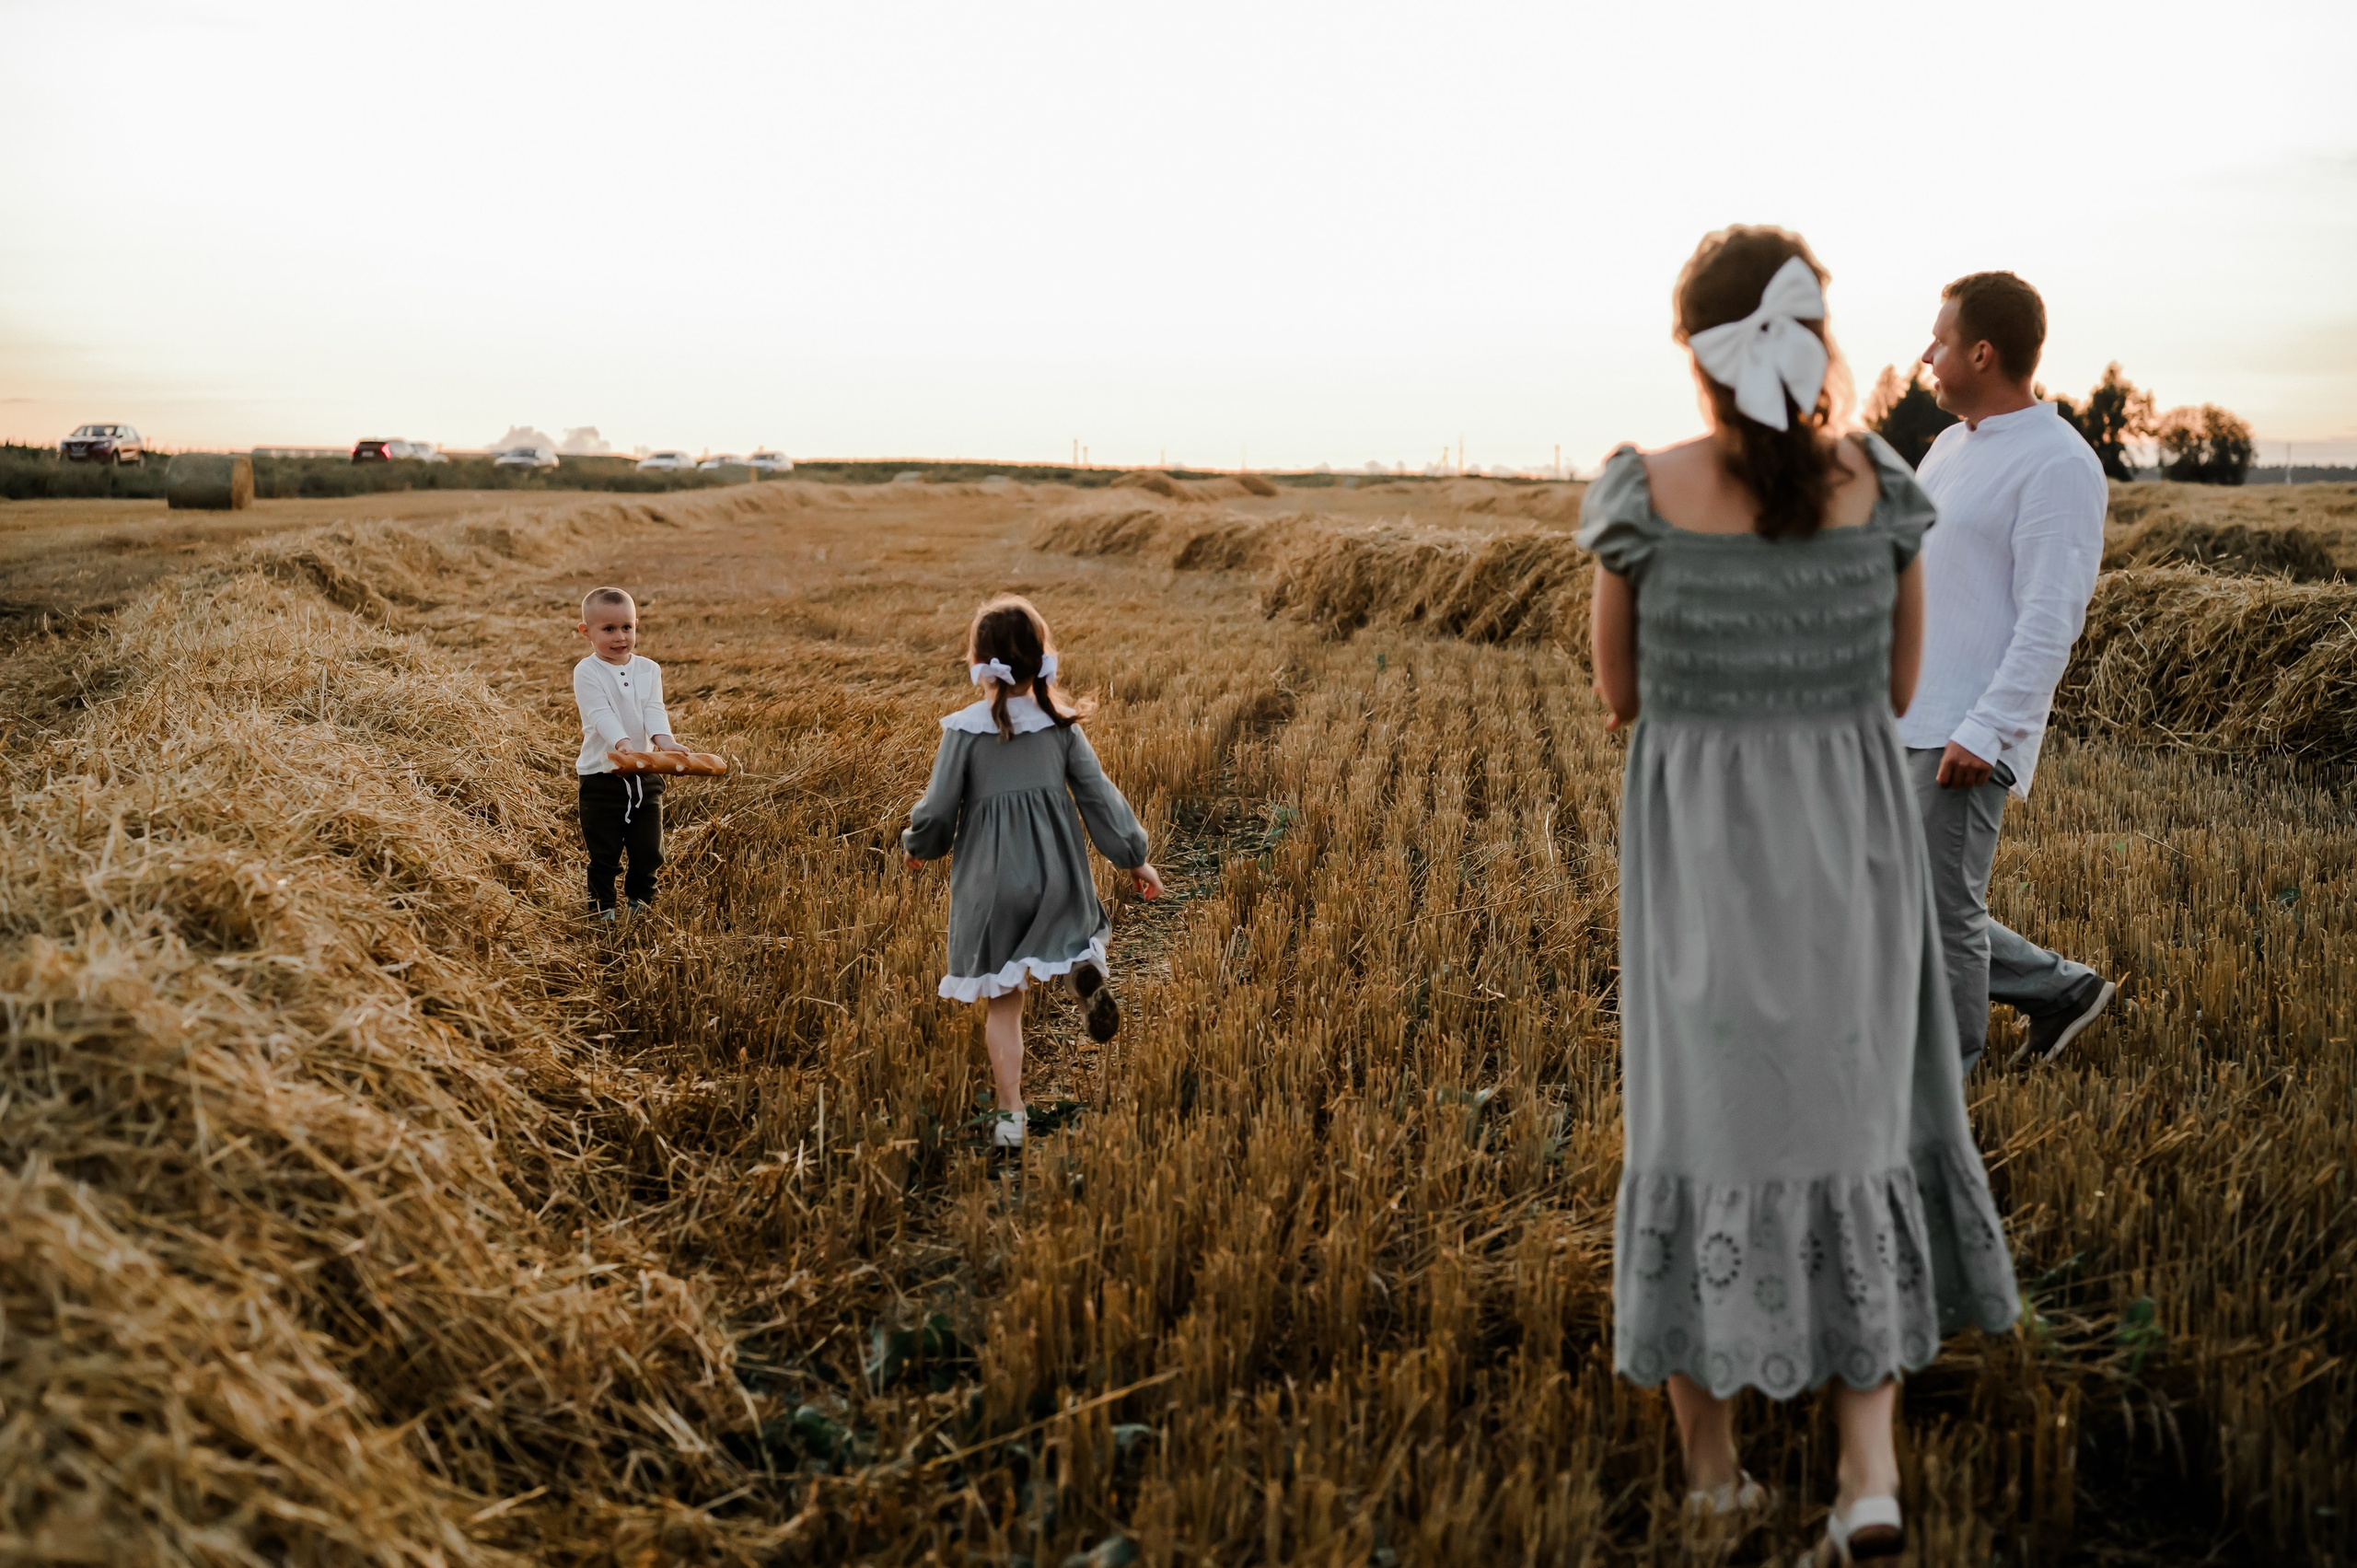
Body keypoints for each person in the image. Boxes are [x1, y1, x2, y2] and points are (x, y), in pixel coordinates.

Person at [1579, 226, 2020, 1562]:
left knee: (1701, 1126)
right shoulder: (1880, 484)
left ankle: (1712, 1473)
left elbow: (1618, 697)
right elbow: (1895, 691)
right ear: (1818, 340)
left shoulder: (1640, 493)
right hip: (1854, 850)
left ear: (1695, 356)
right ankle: (1868, 1475)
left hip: (1706, 856)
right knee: (1854, 1120)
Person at [1906, 273, 2115, 1071]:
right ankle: (2061, 990)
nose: (1928, 354)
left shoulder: (2059, 463)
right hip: (1905, 713)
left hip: (1966, 724)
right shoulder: (1950, 448)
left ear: (1982, 351)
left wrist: (1988, 729)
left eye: (1942, 339)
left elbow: (2050, 619)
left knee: (1942, 913)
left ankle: (1945, 1077)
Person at [902, 596, 1165, 1149]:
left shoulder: (964, 732)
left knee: (1004, 1002)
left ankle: (1010, 1115)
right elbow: (1098, 797)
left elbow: (937, 808)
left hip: (990, 886)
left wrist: (920, 844)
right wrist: (1133, 856)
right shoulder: (1059, 727)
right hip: (1055, 871)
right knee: (1073, 939)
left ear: (978, 662)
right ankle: (1081, 976)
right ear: (1041, 661)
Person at [573, 586, 691, 921]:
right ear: (586, 632)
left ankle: (640, 902)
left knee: (649, 850)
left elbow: (654, 709)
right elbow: (599, 715)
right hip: (602, 777)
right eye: (608, 629)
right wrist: (622, 743)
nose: (619, 636)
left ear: (637, 624)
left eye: (627, 627)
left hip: (645, 773)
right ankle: (603, 910)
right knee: (605, 853)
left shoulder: (649, 669)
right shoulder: (587, 671)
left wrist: (664, 741)